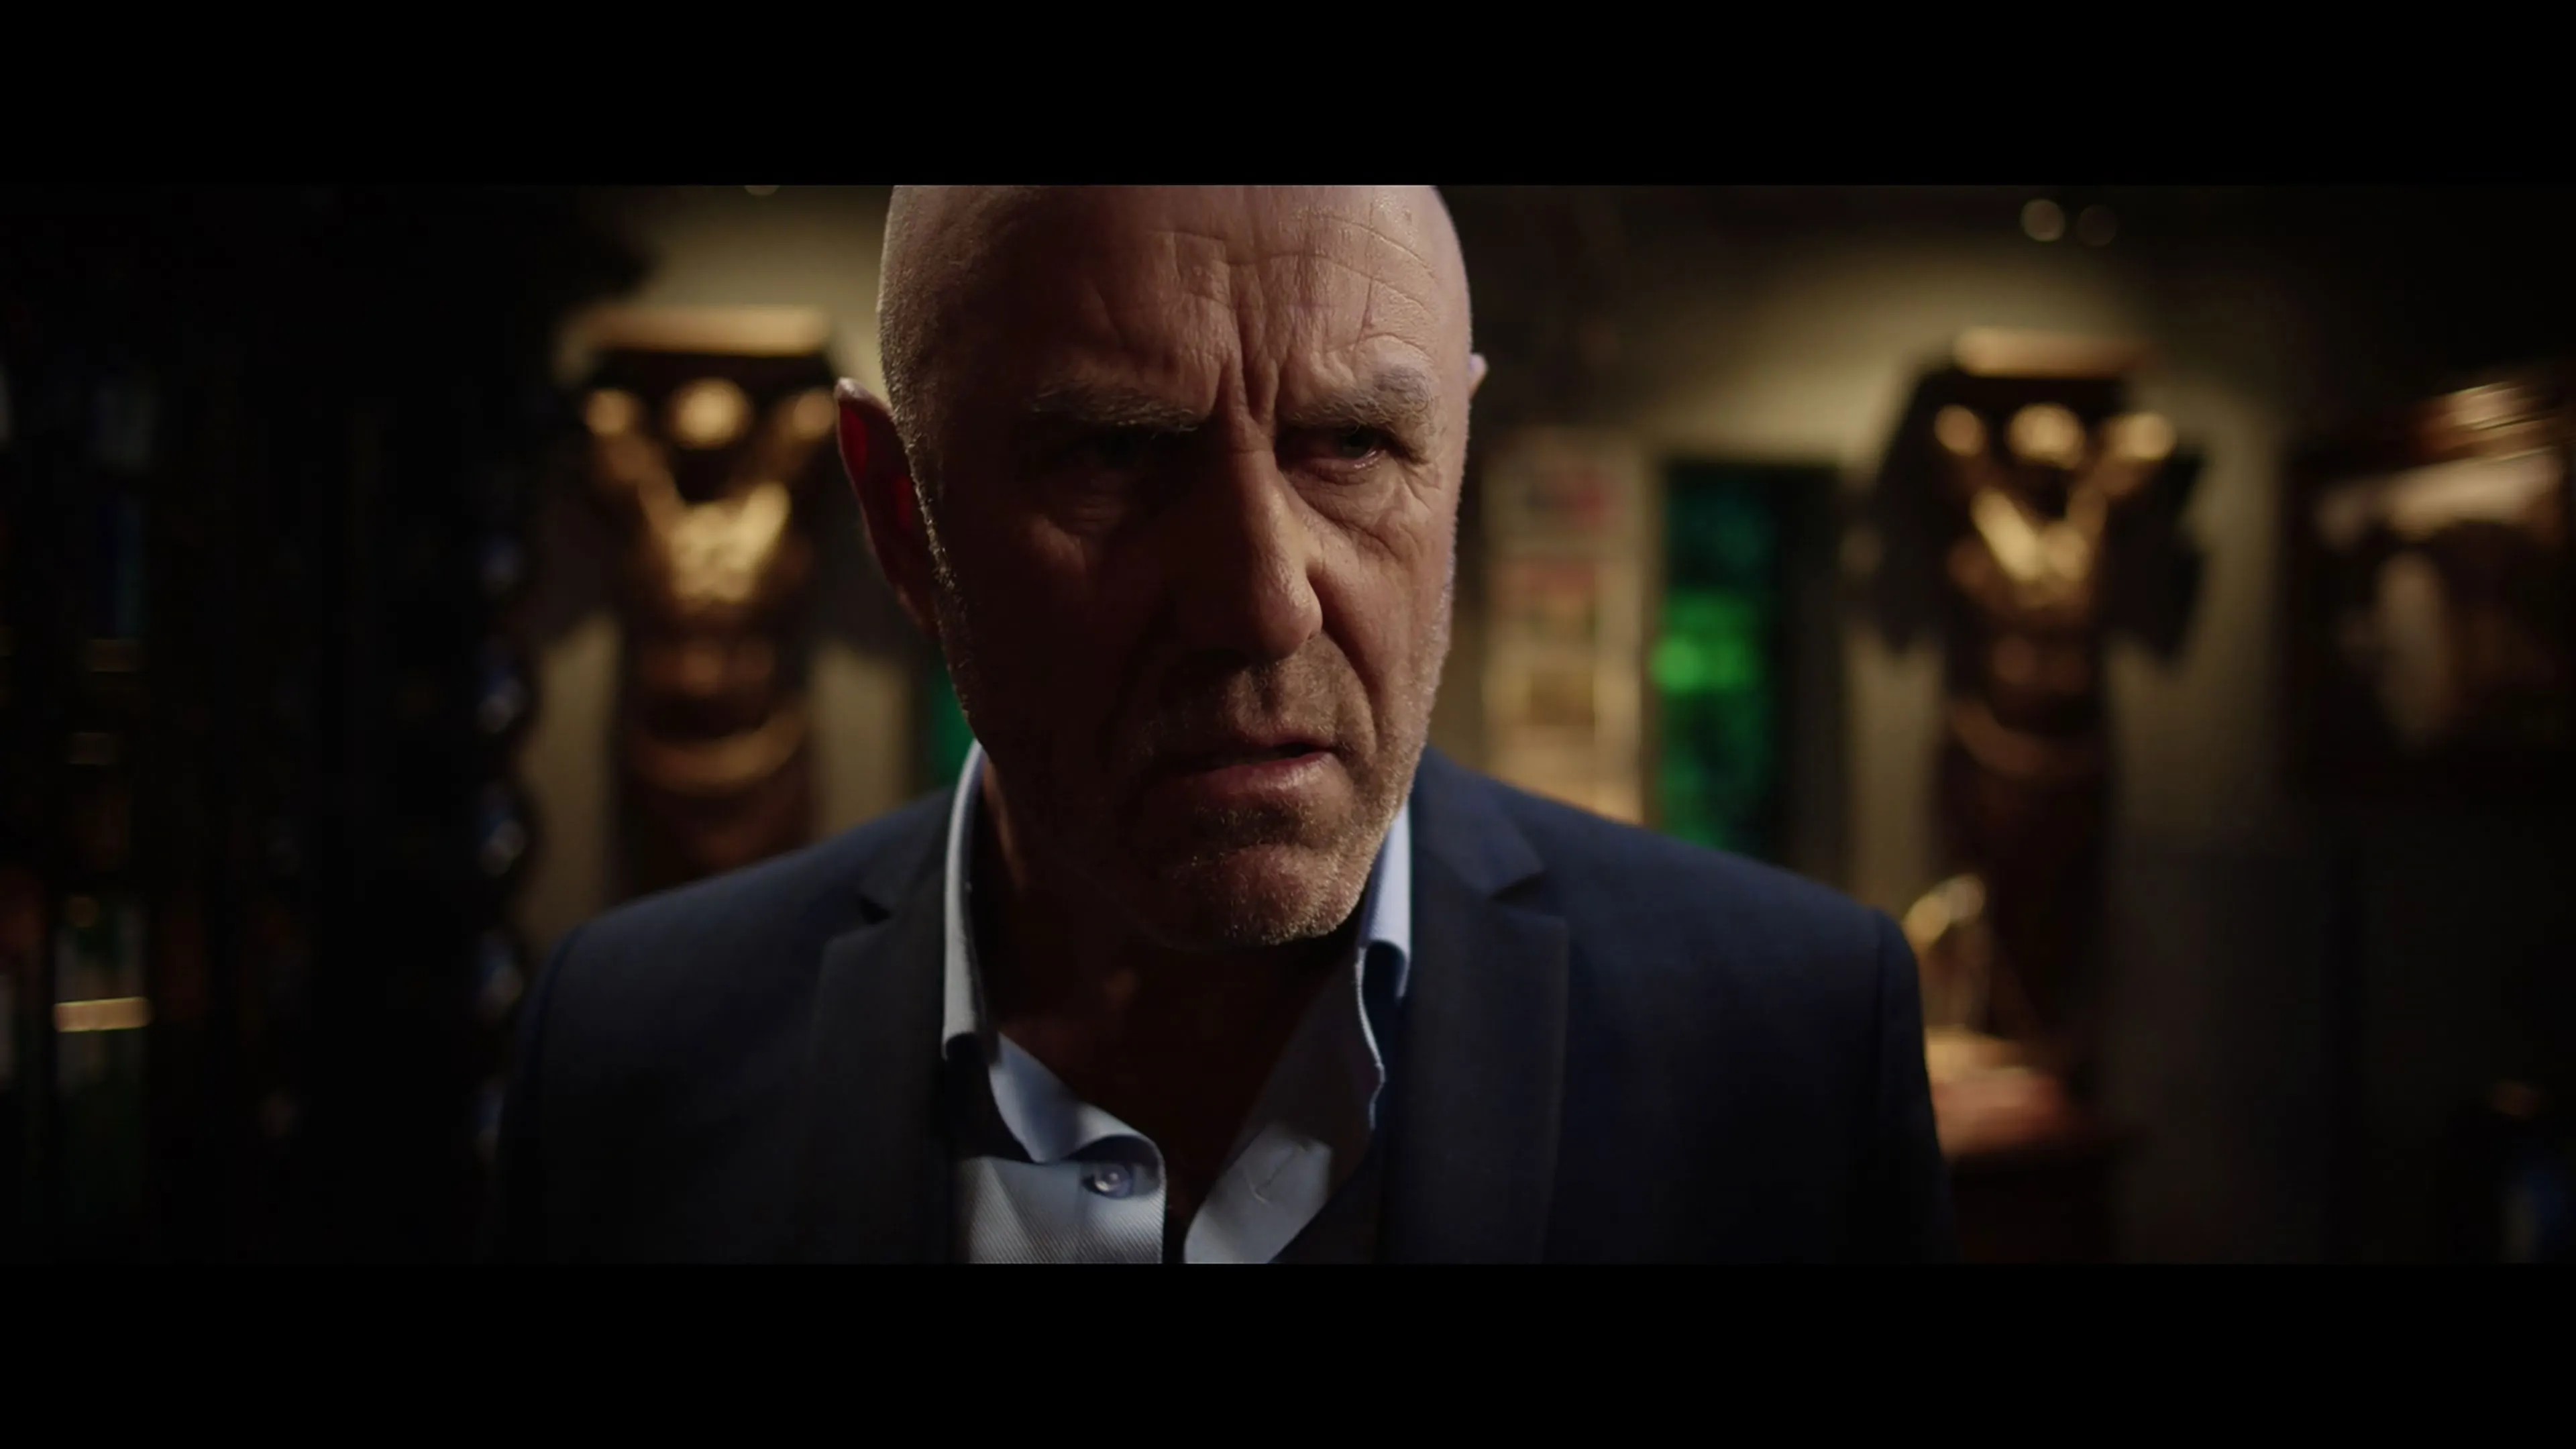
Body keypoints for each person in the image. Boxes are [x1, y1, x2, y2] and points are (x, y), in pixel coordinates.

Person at [488, 186, 1955, 1263]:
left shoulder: (1793, 1052)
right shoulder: (635, 1057)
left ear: (1454, 456)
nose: (1263, 604)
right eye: (1117, 457)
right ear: (897, 514)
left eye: (1355, 445)